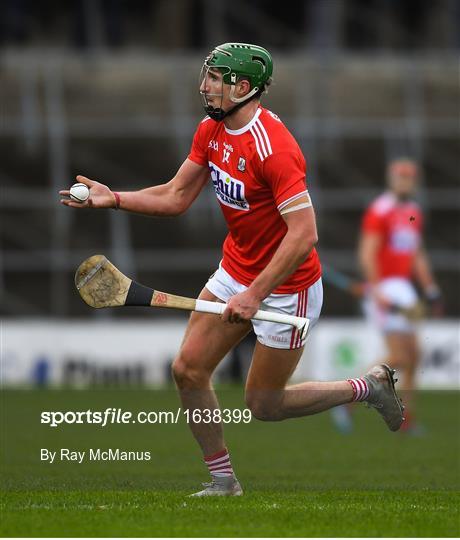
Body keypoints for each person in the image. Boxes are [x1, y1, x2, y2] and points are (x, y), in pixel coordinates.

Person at [60, 43, 404, 496]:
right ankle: (224, 481)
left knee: (264, 404)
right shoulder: (211, 130)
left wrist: (256, 294)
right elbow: (176, 196)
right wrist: (115, 198)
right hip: (233, 271)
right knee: (187, 369)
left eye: (215, 79)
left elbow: (303, 235)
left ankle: (367, 387)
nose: (204, 86)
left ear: (243, 87)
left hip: (287, 288)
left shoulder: (274, 149)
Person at [358, 158, 442, 433]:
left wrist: (430, 288)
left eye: (409, 177)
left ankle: (408, 418)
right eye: (400, 177)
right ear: (392, 180)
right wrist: (377, 289)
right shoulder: (380, 210)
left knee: (414, 355)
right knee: (399, 356)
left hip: (404, 290)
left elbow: (416, 254)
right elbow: (368, 253)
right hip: (385, 288)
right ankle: (346, 396)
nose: (405, 182)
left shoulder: (413, 211)